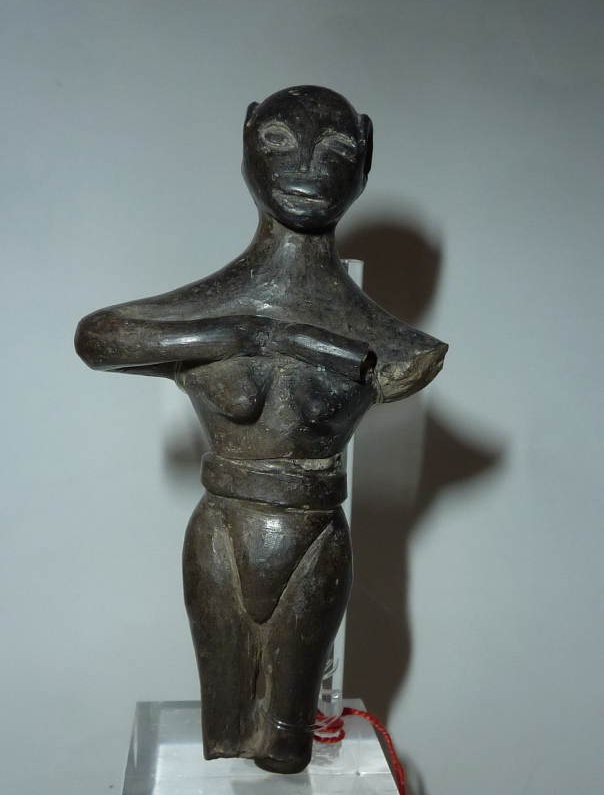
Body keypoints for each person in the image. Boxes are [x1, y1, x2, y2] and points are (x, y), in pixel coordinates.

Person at [75, 85, 447, 774]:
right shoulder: (213, 305)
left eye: (334, 149)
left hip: (315, 537)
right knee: (222, 734)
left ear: (365, 159)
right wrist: (257, 332)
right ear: (246, 144)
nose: (305, 167)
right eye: (278, 142)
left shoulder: (393, 343)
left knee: (285, 749)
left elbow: (404, 367)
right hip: (220, 530)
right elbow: (99, 338)